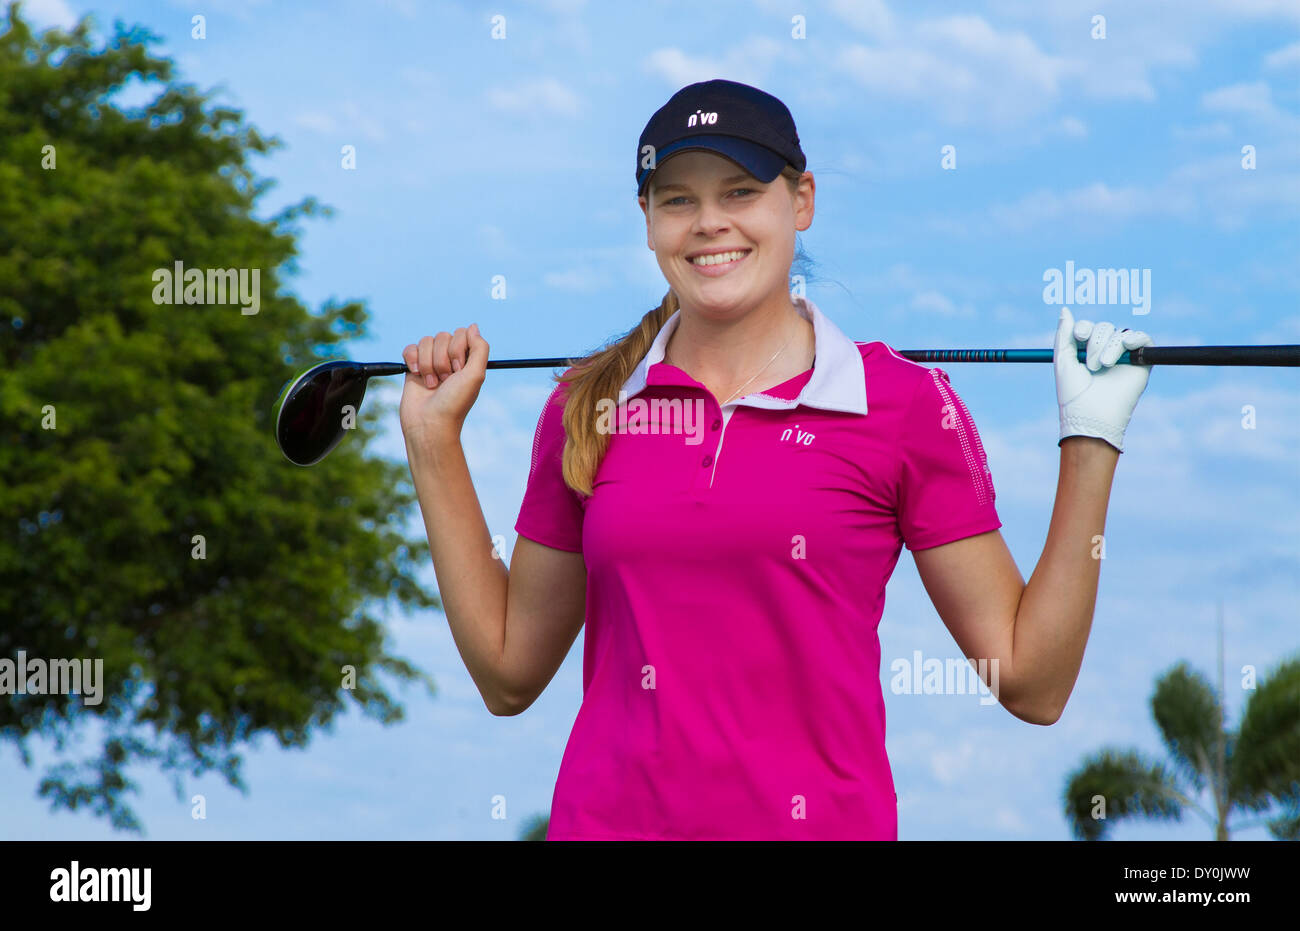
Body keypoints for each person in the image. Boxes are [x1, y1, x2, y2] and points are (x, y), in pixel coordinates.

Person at [398, 79, 1154, 841]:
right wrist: (434, 445)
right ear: (648, 221)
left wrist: (1090, 440)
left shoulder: (904, 405)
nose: (709, 223)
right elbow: (507, 673)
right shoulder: (587, 407)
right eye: (678, 200)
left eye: (740, 191)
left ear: (801, 201)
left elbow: (1033, 680)